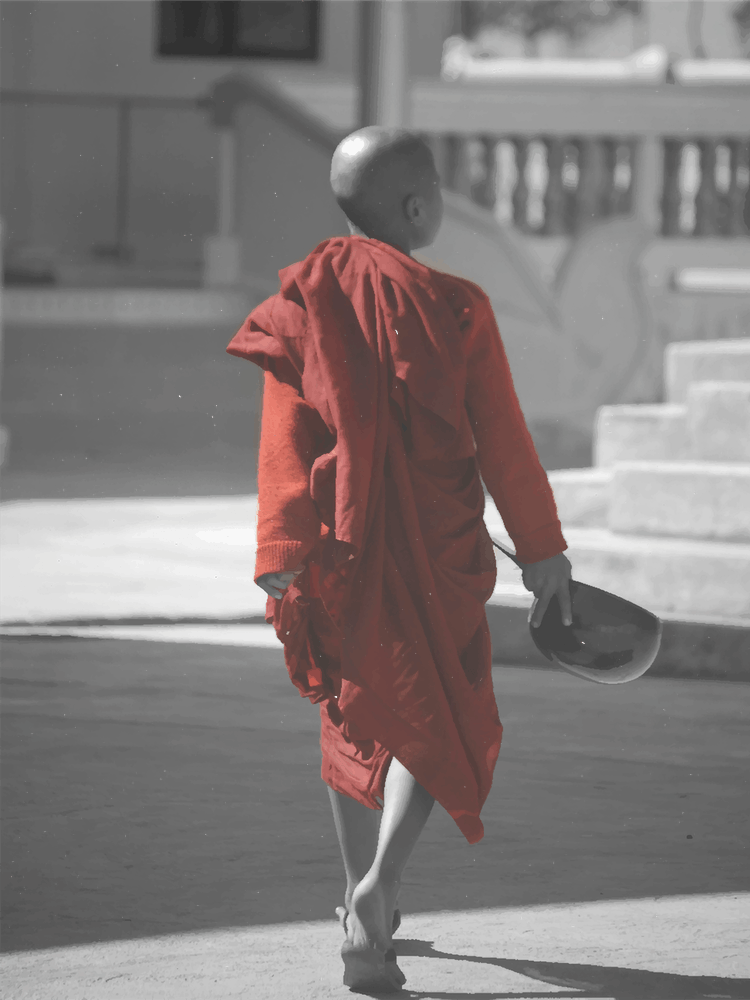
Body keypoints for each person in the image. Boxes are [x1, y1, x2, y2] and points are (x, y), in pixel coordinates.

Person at [226, 126, 573, 993]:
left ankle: (356, 901)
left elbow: (284, 436)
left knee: (355, 710)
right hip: (440, 547)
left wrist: (282, 547)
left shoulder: (303, 298)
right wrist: (543, 552)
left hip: (339, 549)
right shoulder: (457, 305)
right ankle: (385, 884)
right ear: (419, 209)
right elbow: (505, 442)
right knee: (436, 704)